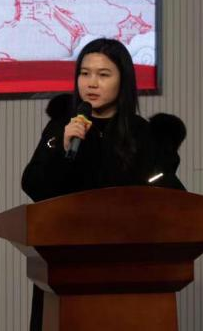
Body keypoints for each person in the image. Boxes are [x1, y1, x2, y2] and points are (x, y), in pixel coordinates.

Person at [20, 37, 185, 330]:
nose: (91, 83)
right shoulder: (62, 127)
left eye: (103, 74)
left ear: (123, 81)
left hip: (130, 268)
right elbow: (34, 185)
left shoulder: (141, 133)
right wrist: (62, 149)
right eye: (85, 73)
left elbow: (169, 195)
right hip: (66, 264)